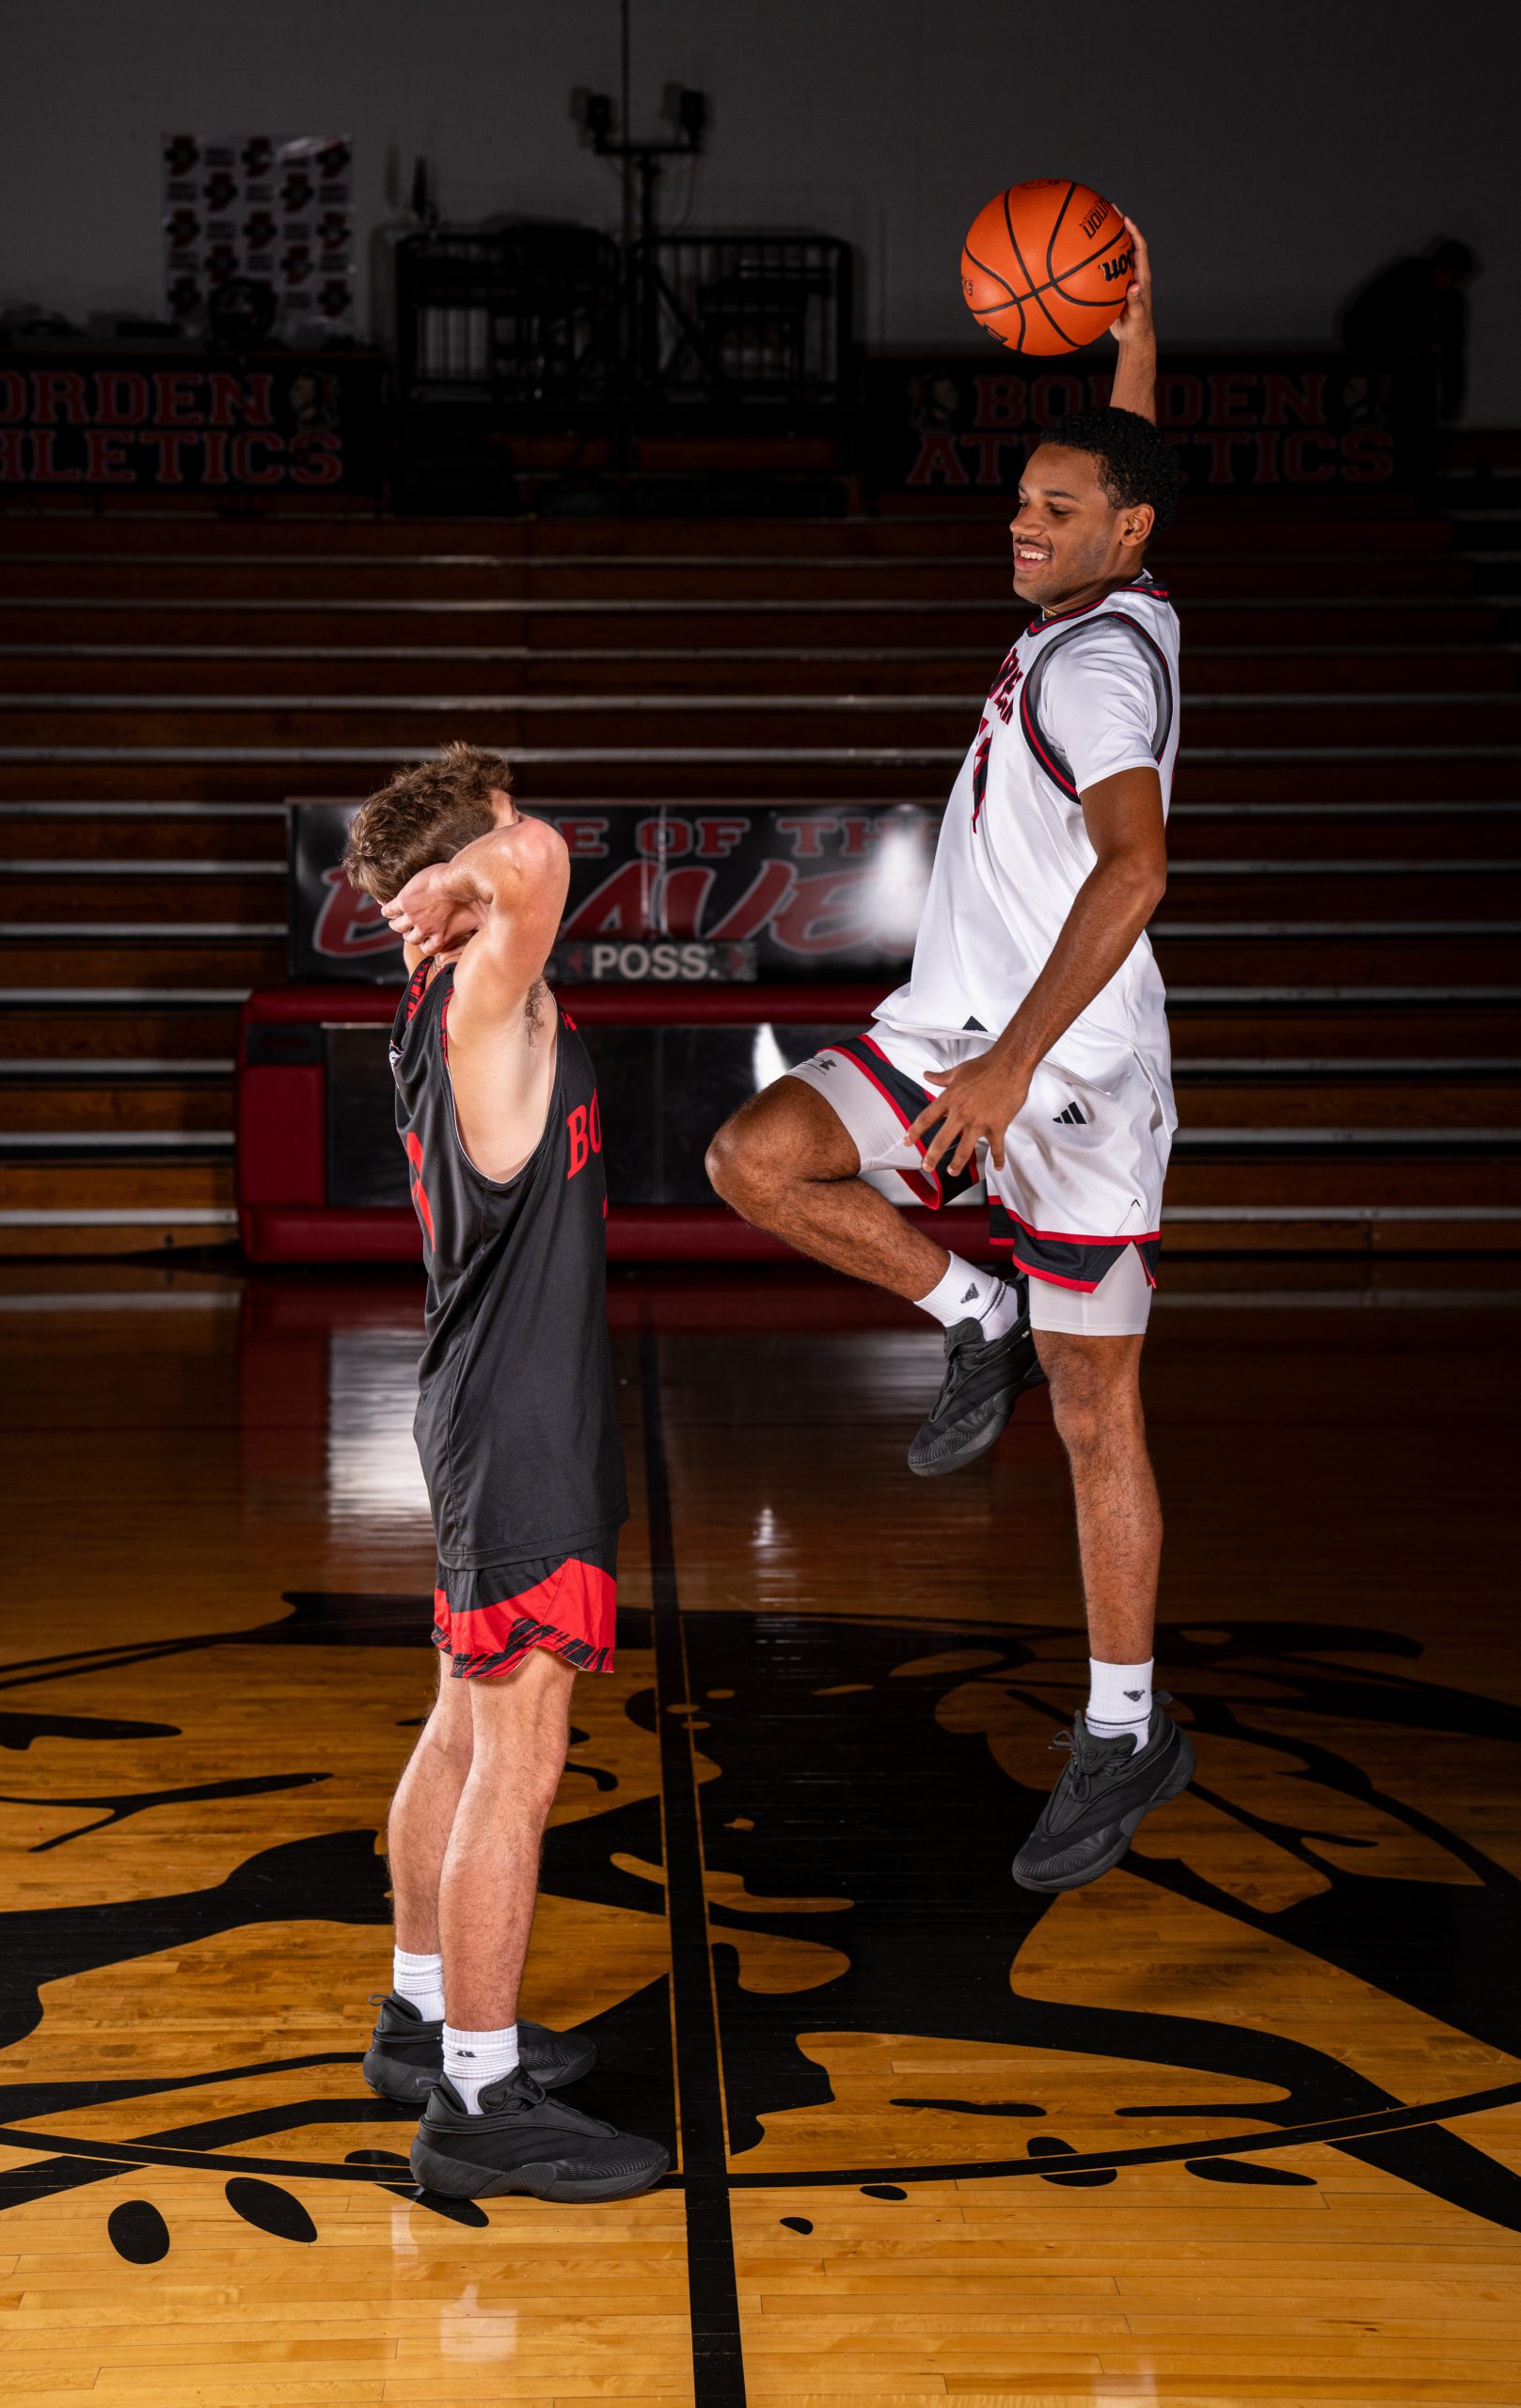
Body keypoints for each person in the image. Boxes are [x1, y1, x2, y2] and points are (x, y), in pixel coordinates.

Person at [706, 222, 1196, 1894]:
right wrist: (1134, 333)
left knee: (1096, 1416)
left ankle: (1124, 1728)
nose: (1021, 522)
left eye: (1054, 508)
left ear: (1119, 534)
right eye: (1020, 500)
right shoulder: (1128, 593)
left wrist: (1006, 1075)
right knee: (756, 1160)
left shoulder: (1103, 667)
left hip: (1076, 1075)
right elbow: (1130, 466)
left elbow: (1136, 871)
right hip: (956, 1027)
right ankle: (970, 1310)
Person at [341, 741, 667, 2203]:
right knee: (519, 1762)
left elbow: (526, 857)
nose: (527, 832)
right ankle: (477, 2101)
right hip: (519, 1423)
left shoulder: (441, 1001)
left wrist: (465, 871)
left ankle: (420, 2018)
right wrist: (480, 866)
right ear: (451, 879)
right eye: (500, 820)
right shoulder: (481, 989)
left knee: (463, 1731)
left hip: (488, 1404)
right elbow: (536, 860)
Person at [1339, 237, 1480, 424]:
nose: (1457, 285)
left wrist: (1453, 395)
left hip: (1412, 370)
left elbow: (1453, 351)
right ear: (1437, 268)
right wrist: (1370, 368)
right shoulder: (1400, 280)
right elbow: (1357, 322)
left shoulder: (1452, 302)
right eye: (1454, 278)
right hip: (1374, 360)